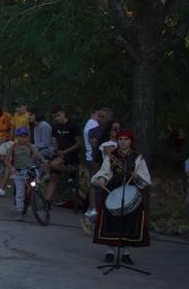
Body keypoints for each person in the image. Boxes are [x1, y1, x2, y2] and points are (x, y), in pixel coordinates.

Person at [92, 130, 151, 263]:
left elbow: (146, 178)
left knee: (128, 223)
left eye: (126, 139)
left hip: (131, 190)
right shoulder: (111, 156)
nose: (123, 142)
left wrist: (138, 176)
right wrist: (101, 178)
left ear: (131, 141)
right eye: (120, 139)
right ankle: (110, 252)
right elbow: (104, 172)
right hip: (113, 190)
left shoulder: (137, 157)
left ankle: (126, 253)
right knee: (111, 222)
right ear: (117, 141)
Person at [0, 128, 44, 218]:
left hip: (30, 169)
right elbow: (6, 160)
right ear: (17, 137)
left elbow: (37, 154)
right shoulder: (12, 148)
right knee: (20, 192)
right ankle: (19, 211)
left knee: (37, 184)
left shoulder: (30, 146)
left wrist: (44, 161)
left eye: (25, 137)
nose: (23, 139)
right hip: (19, 171)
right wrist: (11, 168)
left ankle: (39, 200)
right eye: (21, 137)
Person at [45, 107, 82, 202]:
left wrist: (65, 151)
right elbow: (55, 141)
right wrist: (55, 149)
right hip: (59, 153)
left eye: (58, 115)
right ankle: (47, 201)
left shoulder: (73, 125)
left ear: (63, 113)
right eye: (54, 116)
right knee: (53, 177)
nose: (57, 118)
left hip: (71, 154)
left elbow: (78, 143)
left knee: (53, 164)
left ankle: (69, 171)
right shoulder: (55, 127)